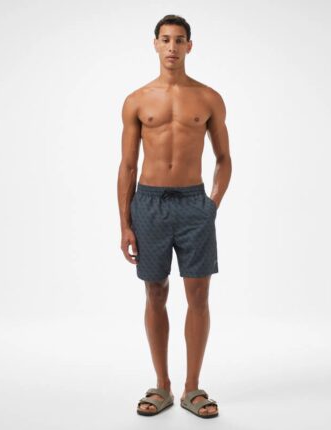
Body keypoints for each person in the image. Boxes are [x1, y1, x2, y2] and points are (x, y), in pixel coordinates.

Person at [117, 14, 232, 418]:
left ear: (189, 46)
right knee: (155, 292)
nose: (172, 47)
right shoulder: (137, 100)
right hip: (148, 203)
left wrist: (211, 205)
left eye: (179, 40)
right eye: (165, 39)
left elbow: (224, 159)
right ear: (155, 44)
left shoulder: (208, 98)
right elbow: (127, 166)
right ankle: (162, 385)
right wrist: (125, 224)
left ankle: (192, 388)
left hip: (193, 203)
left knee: (198, 294)